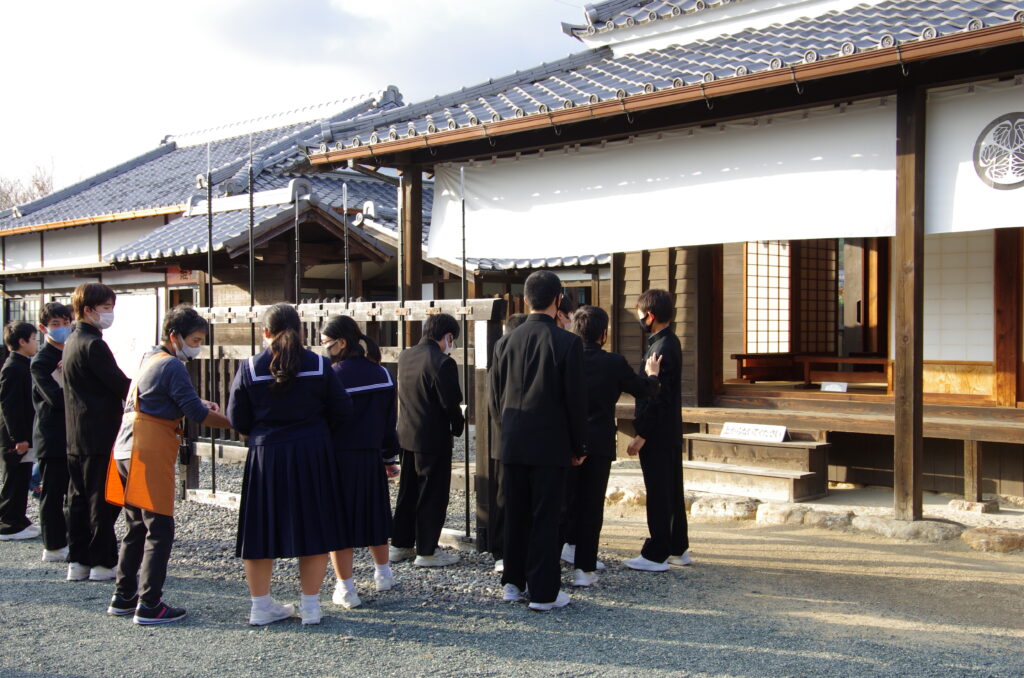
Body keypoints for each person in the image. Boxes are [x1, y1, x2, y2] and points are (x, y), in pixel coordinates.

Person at [104, 305, 232, 625]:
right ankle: (150, 604)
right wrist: (238, 423)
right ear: (174, 337)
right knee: (160, 528)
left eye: (201, 339)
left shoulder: (150, 358)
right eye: (194, 339)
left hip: (124, 447)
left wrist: (198, 403)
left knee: (136, 525)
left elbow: (166, 397)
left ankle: (124, 596)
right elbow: (195, 413)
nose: (197, 345)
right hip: (147, 450)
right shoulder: (173, 365)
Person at [228, 303, 352, 626]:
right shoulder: (320, 366)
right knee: (314, 527)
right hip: (312, 453)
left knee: (260, 530)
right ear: (300, 331)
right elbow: (343, 410)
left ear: (264, 333)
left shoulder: (250, 367)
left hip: (266, 455)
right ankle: (310, 607)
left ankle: (260, 607)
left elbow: (236, 418)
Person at [490, 270, 586, 611]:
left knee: (515, 513)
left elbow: (494, 399)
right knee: (546, 517)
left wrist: (505, 435)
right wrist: (579, 447)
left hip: (513, 441)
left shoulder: (505, 342)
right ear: (558, 299)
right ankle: (544, 591)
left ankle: (513, 583)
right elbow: (576, 402)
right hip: (550, 444)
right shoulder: (568, 342)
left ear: (526, 299)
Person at [562, 306, 661, 586]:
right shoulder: (613, 363)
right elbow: (644, 389)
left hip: (566, 440)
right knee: (591, 506)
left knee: (563, 503)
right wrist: (653, 374)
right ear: (603, 334)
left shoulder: (564, 358)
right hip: (598, 442)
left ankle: (552, 563)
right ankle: (584, 569)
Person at [321, 315, 400, 609]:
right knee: (375, 516)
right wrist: (389, 458)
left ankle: (346, 588)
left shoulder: (331, 376)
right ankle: (383, 573)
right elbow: (389, 422)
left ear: (341, 343)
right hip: (371, 456)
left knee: (339, 523)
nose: (324, 348)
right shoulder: (382, 374)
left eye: (326, 342)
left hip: (338, 458)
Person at [63, 283, 131, 583]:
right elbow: (119, 384)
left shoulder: (71, 341)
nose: (109, 313)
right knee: (101, 500)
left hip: (74, 433)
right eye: (105, 307)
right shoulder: (94, 344)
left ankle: (78, 560)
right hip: (100, 432)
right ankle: (103, 561)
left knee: (77, 499)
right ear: (87, 309)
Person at [390, 313, 465, 568]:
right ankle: (427, 550)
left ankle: (400, 544)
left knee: (408, 491)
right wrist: (458, 425)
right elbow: (450, 403)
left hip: (407, 433)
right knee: (432, 494)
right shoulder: (442, 363)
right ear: (447, 336)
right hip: (433, 438)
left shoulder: (406, 356)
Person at [625, 289, 690, 571]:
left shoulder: (660, 348)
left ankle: (657, 552)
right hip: (668, 431)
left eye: (641, 315)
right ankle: (677, 547)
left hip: (658, 433)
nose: (640, 319)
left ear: (650, 316)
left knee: (660, 491)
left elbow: (658, 398)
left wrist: (642, 434)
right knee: (671, 489)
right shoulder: (668, 342)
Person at [30, 302, 74, 561]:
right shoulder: (41, 361)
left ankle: (70, 538)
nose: (62, 328)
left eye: (66, 323)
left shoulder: (71, 352)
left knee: (73, 492)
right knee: (53, 492)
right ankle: (54, 545)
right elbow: (56, 399)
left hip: (73, 434)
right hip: (51, 435)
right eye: (55, 324)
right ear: (43, 328)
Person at [487, 314, 528, 573]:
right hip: (506, 439)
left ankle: (509, 549)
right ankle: (500, 549)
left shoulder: (504, 355)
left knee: (510, 495)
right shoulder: (506, 355)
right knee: (504, 496)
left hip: (507, 438)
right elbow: (494, 402)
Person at [0, 321, 40, 542]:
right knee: (14, 479)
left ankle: (17, 518)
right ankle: (8, 524)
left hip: (22, 434)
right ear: (22, 341)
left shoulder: (22, 364)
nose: (36, 343)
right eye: (33, 339)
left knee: (21, 476)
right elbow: (9, 405)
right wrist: (19, 438)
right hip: (15, 437)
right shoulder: (13, 367)